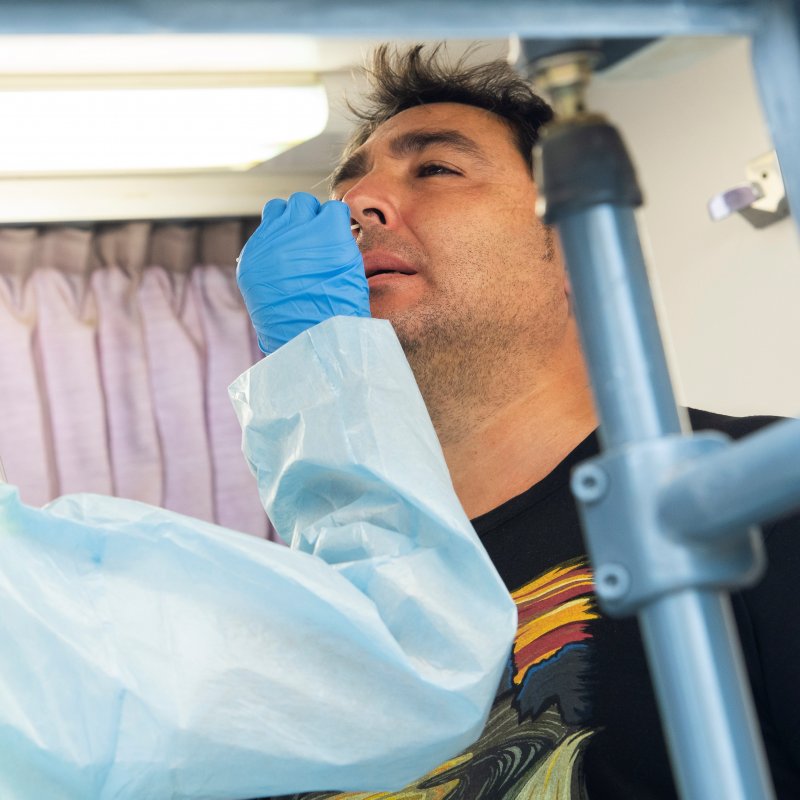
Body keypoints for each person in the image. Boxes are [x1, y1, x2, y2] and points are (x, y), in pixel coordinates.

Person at [237, 44, 800, 799]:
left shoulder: (760, 488)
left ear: (575, 247)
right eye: (346, 187)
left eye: (436, 169)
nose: (355, 206)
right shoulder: (319, 593)